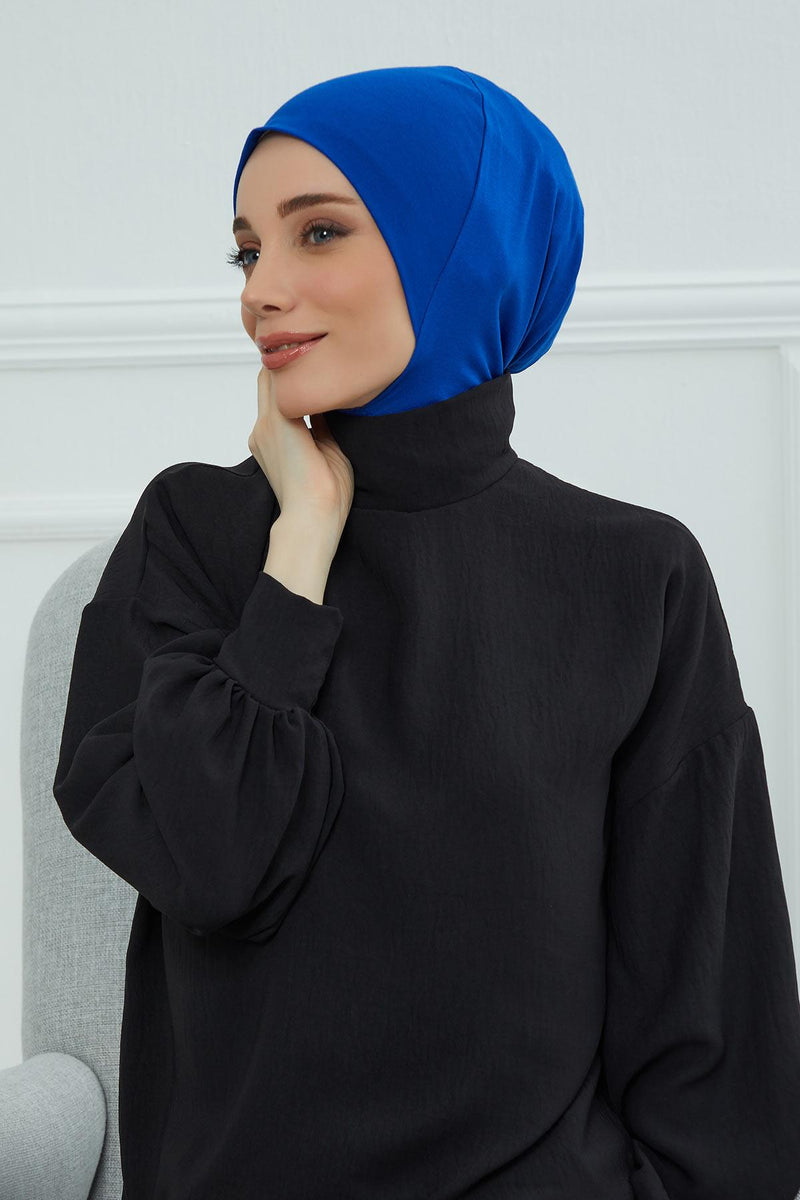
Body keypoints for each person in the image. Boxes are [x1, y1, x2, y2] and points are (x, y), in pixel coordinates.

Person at [53, 65, 800, 1199]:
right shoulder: (194, 536)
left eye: (317, 233)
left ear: (462, 244)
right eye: (247, 252)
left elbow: (708, 1000)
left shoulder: (634, 574)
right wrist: (299, 548)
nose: (262, 291)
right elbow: (210, 861)